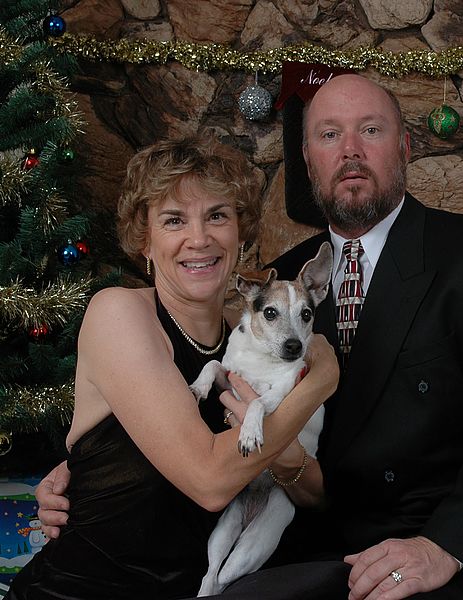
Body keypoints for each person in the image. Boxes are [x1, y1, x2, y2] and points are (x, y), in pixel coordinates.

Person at [38, 74, 463, 600]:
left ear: (404, 147)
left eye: (371, 130)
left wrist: (443, 545)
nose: (351, 151)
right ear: (308, 160)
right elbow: (180, 439)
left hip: (436, 533)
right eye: (330, 135)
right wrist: (87, 468)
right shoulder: (282, 287)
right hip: (301, 543)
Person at [11, 134, 339, 599]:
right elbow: (209, 483)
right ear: (144, 240)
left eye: (217, 216)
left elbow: (315, 496)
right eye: (173, 219)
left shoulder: (253, 335)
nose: (200, 238)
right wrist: (319, 382)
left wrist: (285, 458)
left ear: (240, 234)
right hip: (87, 589)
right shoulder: (120, 314)